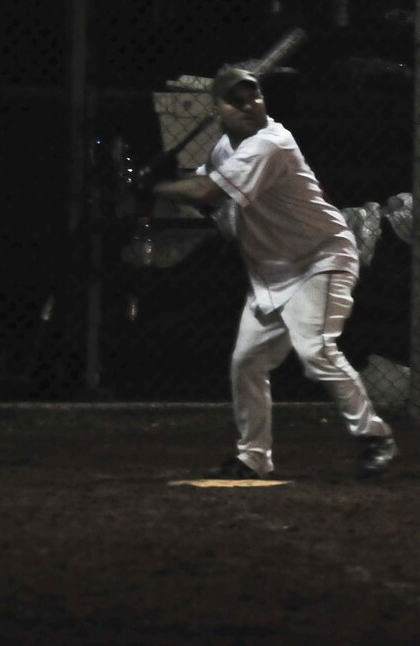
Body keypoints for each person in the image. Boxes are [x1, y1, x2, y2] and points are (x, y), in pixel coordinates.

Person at [149, 66, 397, 480]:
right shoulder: (224, 151)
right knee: (247, 362)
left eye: (255, 97)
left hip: (321, 257)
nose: (249, 105)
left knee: (314, 349)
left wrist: (155, 186)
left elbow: (208, 191)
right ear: (218, 111)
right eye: (237, 101)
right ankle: (253, 456)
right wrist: (168, 177)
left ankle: (375, 436)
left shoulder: (272, 142)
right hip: (275, 270)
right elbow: (207, 193)